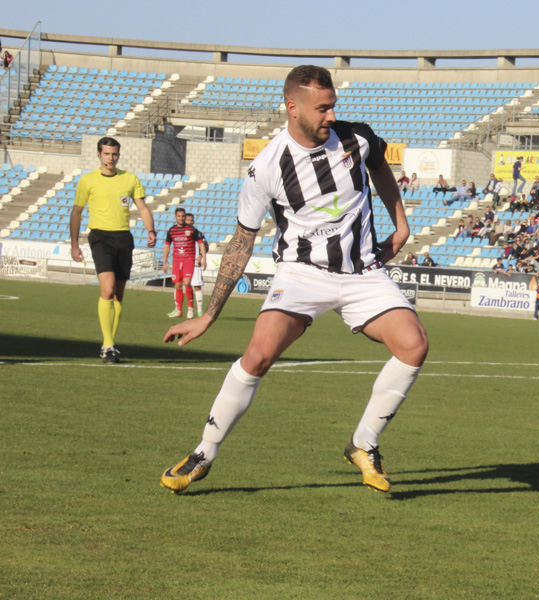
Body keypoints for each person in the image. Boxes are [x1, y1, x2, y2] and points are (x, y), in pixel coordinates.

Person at [160, 65, 428, 494]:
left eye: (333, 106)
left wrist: (401, 224)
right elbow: (241, 243)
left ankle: (363, 444)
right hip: (301, 274)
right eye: (322, 109)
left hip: (362, 272)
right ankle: (204, 452)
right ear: (292, 108)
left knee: (414, 345)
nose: (331, 116)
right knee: (259, 355)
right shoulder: (267, 167)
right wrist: (209, 315)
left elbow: (379, 166)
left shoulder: (356, 138)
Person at [69, 137, 156, 364]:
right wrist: (75, 244)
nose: (111, 158)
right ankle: (108, 346)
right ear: (99, 154)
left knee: (118, 294)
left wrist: (151, 230)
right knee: (106, 290)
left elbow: (143, 207)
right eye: (107, 154)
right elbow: (76, 212)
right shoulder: (87, 181)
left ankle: (108, 344)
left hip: (123, 238)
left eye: (114, 154)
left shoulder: (130, 179)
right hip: (100, 237)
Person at [163, 207, 205, 318]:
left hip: (189, 260)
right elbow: (167, 246)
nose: (181, 218)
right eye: (179, 216)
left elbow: (203, 244)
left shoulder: (192, 230)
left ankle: (191, 308)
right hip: (176, 260)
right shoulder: (171, 230)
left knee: (187, 283)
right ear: (175, 217)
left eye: (183, 216)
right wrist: (164, 262)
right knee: (177, 284)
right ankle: (178, 310)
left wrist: (203, 257)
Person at [184, 212, 209, 314]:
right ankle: (190, 309)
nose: (190, 222)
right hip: (185, 262)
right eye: (188, 220)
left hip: (195, 263)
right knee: (186, 285)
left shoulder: (198, 233)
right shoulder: (180, 232)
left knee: (197, 286)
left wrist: (201, 256)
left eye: (191, 220)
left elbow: (206, 246)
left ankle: (199, 310)